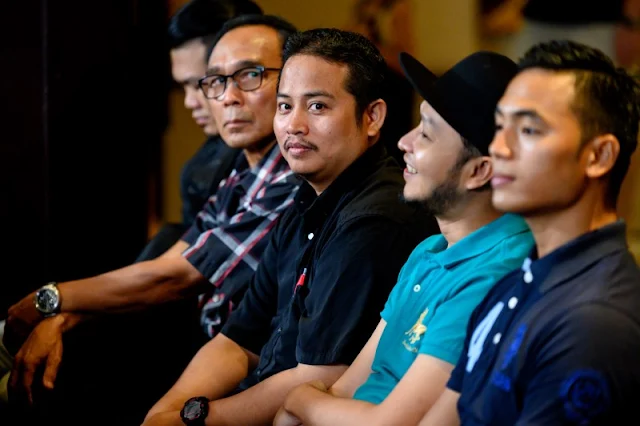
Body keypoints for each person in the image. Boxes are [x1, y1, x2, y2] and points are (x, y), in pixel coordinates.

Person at [5, 14, 300, 426]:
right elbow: (171, 261)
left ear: (294, 82)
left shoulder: (294, 177)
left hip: (253, 374)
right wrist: (64, 312)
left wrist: (50, 299)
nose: (228, 97)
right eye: (215, 81)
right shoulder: (240, 173)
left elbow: (177, 277)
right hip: (208, 347)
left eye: (250, 75)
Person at [141, 28, 438, 426]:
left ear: (372, 117)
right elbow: (237, 340)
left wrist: (191, 420)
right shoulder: (304, 200)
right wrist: (166, 412)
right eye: (284, 106)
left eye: (317, 106)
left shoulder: (374, 219)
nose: (294, 124)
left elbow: (319, 378)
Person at [273, 51, 534, 426]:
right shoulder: (429, 250)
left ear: (479, 171)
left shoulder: (495, 275)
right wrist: (307, 405)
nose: (404, 142)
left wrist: (301, 399)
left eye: (426, 134)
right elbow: (346, 387)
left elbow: (388, 423)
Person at [420, 40, 640, 425]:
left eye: (528, 129)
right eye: (500, 126)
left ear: (598, 156)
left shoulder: (594, 322)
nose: (498, 148)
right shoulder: (518, 280)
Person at [137, 0, 263, 261]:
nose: (189, 102)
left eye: (200, 84)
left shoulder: (268, 163)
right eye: (184, 87)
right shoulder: (210, 159)